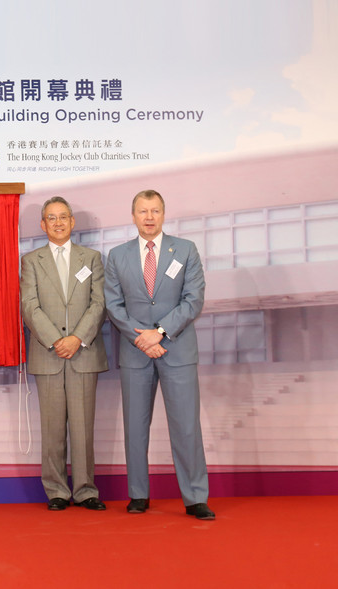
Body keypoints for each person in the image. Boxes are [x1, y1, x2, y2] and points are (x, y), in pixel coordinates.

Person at [104, 189, 215, 520]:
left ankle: (195, 497)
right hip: (135, 351)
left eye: (155, 211)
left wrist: (161, 332)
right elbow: (114, 304)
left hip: (177, 349)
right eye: (142, 211)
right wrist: (142, 338)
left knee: (186, 426)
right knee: (135, 427)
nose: (149, 217)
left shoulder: (185, 250)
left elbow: (193, 299)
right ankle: (138, 494)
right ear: (133, 216)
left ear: (164, 214)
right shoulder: (117, 255)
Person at [21, 197, 109, 511]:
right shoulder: (31, 261)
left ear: (72, 222)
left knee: (83, 429)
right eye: (51, 218)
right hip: (49, 355)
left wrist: (76, 339)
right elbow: (30, 306)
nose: (58, 223)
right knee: (53, 428)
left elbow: (99, 304)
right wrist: (57, 341)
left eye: (63, 217)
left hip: (83, 353)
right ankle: (57, 491)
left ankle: (86, 491)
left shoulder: (93, 258)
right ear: (43, 225)